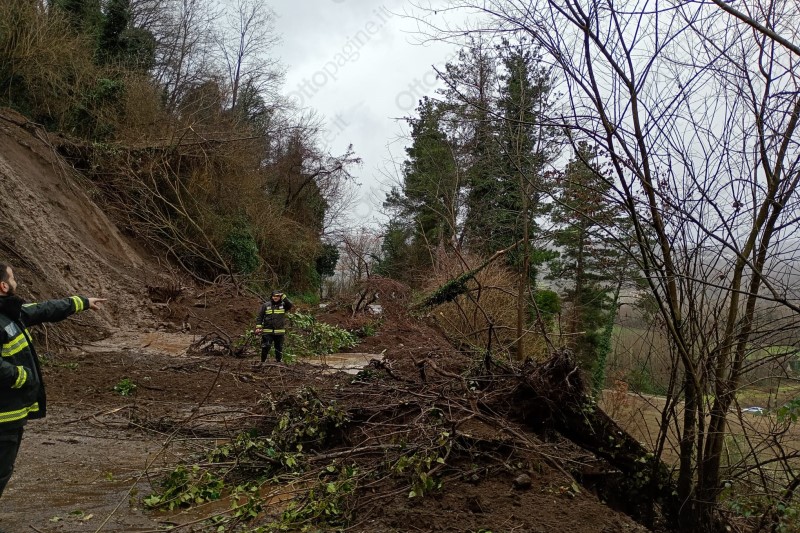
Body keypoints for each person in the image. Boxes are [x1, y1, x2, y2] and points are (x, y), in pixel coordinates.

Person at [0, 263, 106, 499]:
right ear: (3, 286)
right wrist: (23, 376)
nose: (16, 282)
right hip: (4, 418)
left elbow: (43, 310)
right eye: (13, 278)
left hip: (9, 416)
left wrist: (81, 302)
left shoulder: (10, 312)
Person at [255, 290, 293, 363]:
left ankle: (279, 362)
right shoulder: (266, 305)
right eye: (274, 296)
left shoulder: (283, 305)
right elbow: (260, 317)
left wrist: (284, 297)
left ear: (280, 297)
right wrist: (258, 327)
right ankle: (262, 362)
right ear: (271, 297)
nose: (275, 297)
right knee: (265, 346)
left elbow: (290, 305)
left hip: (279, 332)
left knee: (279, 348)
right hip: (267, 331)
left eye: (277, 296)